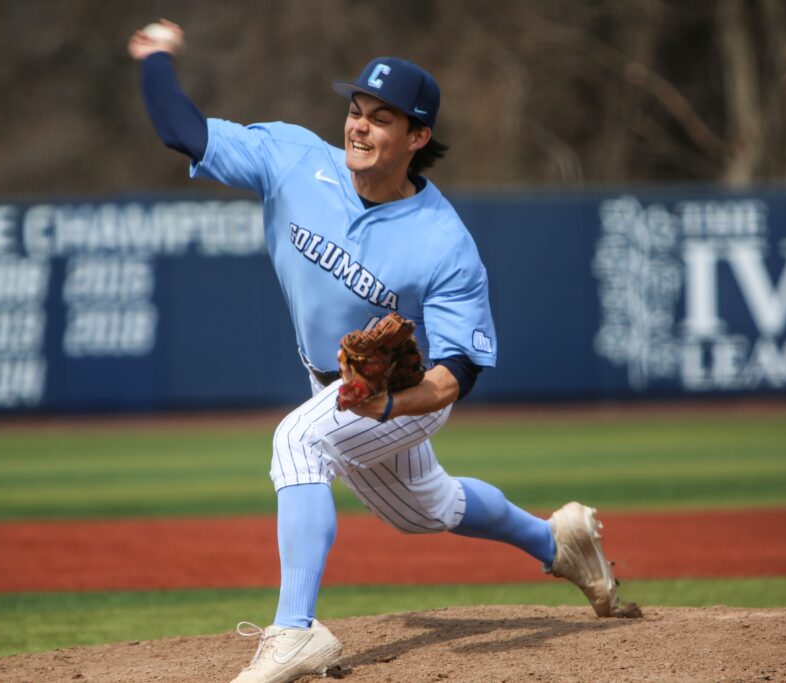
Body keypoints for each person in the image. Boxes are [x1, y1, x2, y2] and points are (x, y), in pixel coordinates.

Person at [129, 20, 637, 683]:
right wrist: (156, 58)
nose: (359, 127)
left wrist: (390, 402)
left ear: (417, 137)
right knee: (428, 507)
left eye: (382, 119)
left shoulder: (443, 242)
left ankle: (295, 631)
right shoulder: (292, 160)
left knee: (297, 444)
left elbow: (457, 373)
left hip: (410, 395)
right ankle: (558, 540)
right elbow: (183, 131)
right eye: (356, 110)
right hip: (335, 383)